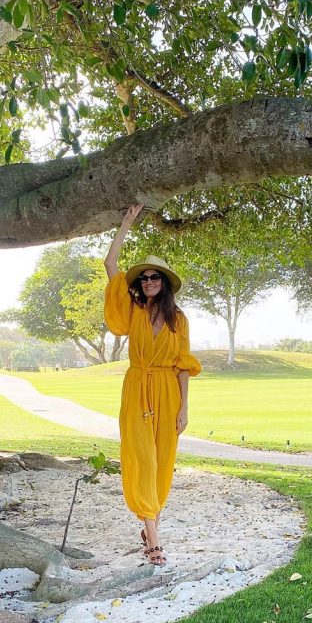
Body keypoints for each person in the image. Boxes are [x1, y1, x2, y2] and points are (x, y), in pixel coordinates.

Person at [104, 204, 201, 566]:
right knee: (142, 459)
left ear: (164, 283)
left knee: (161, 464)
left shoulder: (180, 320)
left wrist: (184, 407)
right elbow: (110, 267)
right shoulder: (133, 313)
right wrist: (125, 223)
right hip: (137, 389)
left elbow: (183, 365)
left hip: (168, 393)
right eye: (143, 278)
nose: (148, 282)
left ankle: (150, 528)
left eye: (154, 278)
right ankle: (155, 541)